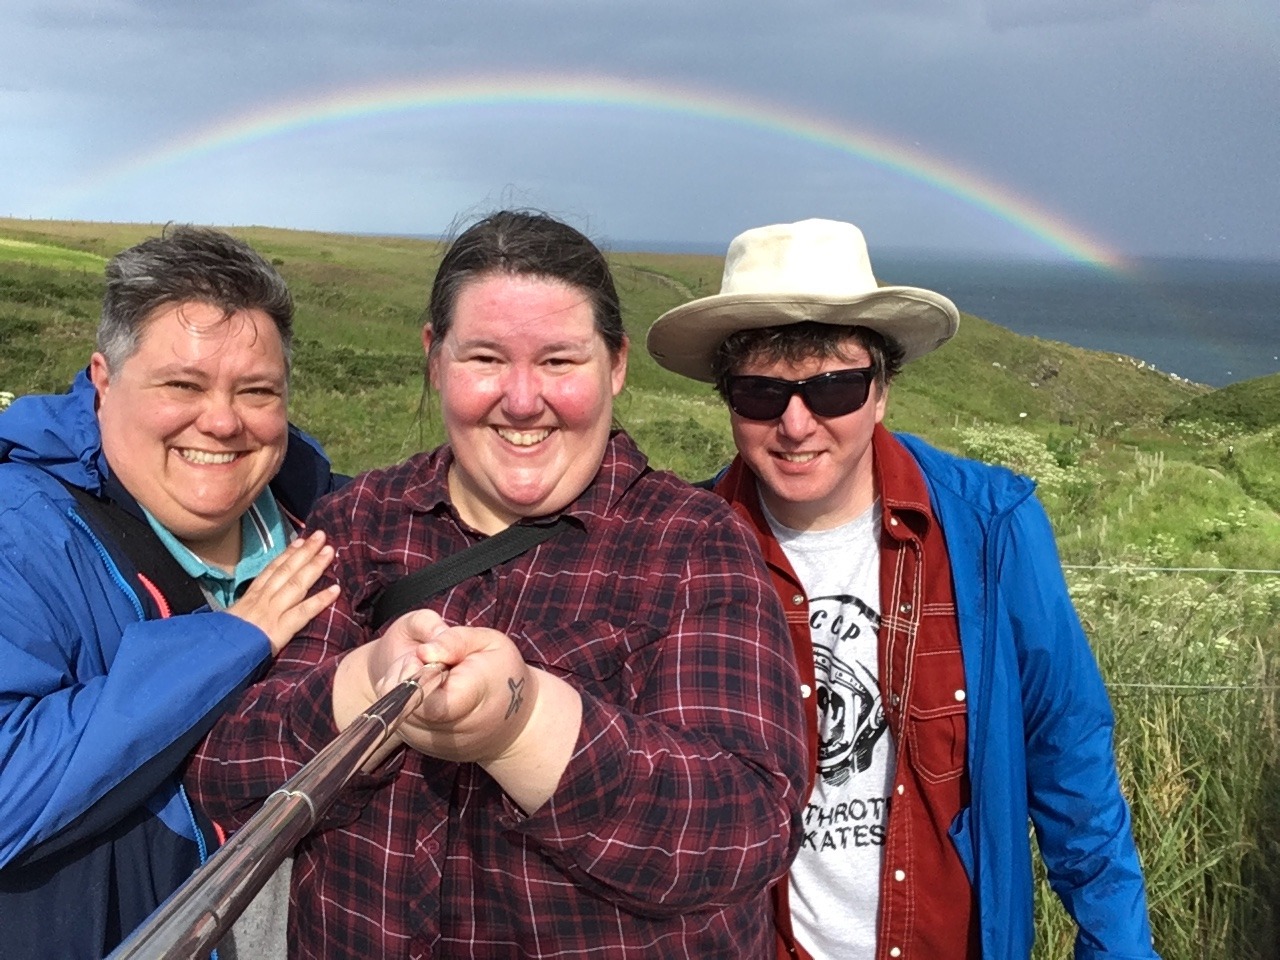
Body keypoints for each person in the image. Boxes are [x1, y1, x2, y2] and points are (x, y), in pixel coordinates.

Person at [187, 210, 810, 959]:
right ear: (435, 358)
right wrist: (362, 689)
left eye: (559, 361)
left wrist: (524, 725)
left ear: (615, 365)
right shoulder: (357, 524)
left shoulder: (693, 543)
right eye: (485, 357)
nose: (521, 400)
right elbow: (227, 773)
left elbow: (746, 830)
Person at [645, 219, 1160, 960]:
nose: (796, 424)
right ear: (728, 399)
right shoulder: (682, 550)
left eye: (834, 388)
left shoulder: (989, 528)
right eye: (760, 393)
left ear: (881, 391)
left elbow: (1069, 755)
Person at [0, 226, 343, 958]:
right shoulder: (21, 533)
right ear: (103, 378)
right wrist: (231, 640)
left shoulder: (329, 513)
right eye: (182, 385)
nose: (221, 421)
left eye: (257, 391)